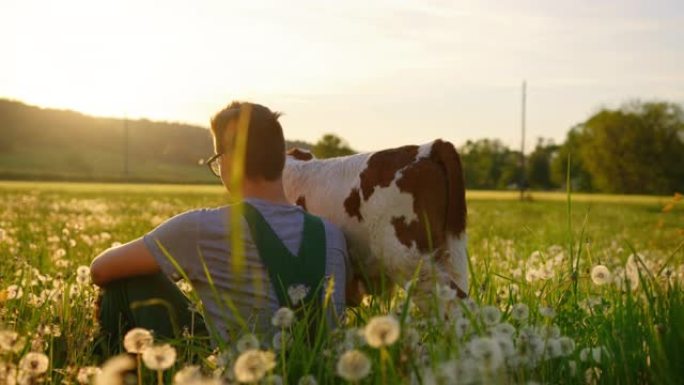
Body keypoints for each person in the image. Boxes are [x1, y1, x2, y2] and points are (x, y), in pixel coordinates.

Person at [90, 101, 349, 348]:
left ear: (229, 161)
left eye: (217, 159)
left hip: (234, 373)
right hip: (321, 372)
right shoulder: (331, 233)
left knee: (124, 281)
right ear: (280, 160)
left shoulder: (202, 228)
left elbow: (100, 270)